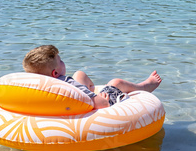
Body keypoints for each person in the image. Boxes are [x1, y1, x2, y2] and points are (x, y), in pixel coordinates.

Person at [22, 45, 162, 110]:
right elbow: (101, 104)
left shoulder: (35, 86)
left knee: (79, 74)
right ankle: (145, 86)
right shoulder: (67, 83)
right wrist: (104, 101)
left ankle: (89, 87)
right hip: (97, 103)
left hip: (68, 104)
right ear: (55, 73)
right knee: (116, 82)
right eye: (61, 61)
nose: (63, 62)